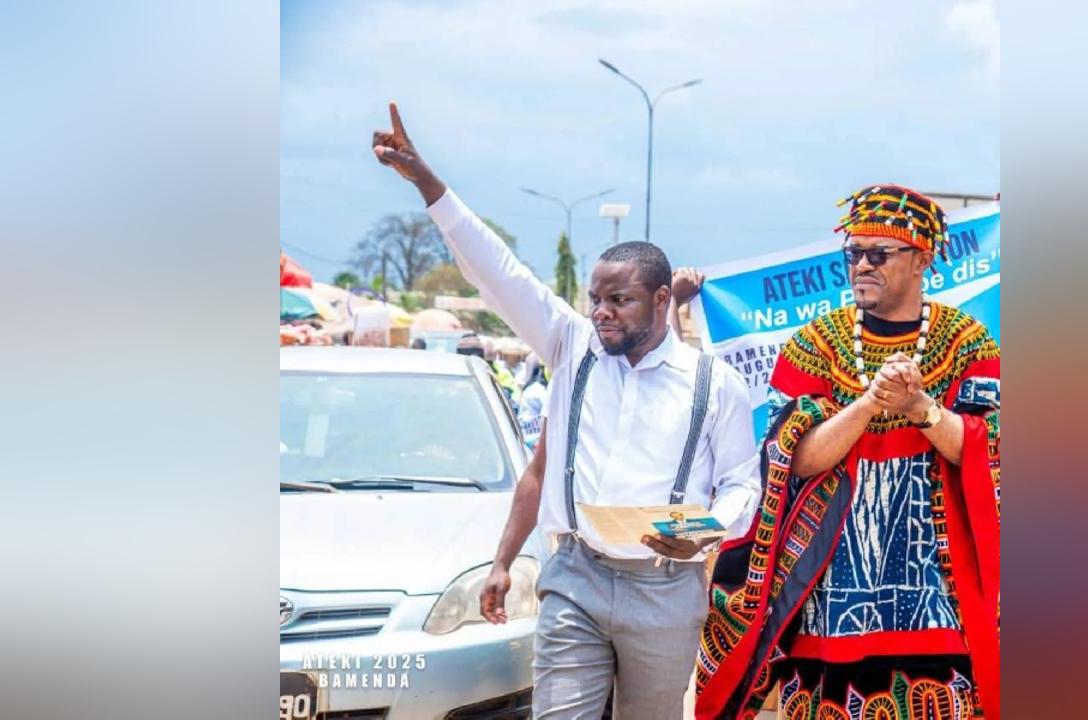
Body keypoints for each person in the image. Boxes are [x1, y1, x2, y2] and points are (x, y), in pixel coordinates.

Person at [372, 102, 762, 720]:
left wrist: (704, 533)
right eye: (596, 298)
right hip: (575, 576)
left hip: (665, 587)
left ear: (662, 301)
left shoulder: (713, 385)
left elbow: (743, 485)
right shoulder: (570, 345)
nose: (602, 311)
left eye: (620, 300)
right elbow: (498, 271)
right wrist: (427, 182)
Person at [695, 185, 1001, 720]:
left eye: (878, 254)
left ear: (921, 259)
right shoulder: (817, 344)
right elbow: (794, 458)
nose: (861, 265)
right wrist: (868, 403)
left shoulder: (967, 342)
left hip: (937, 587)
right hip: (832, 588)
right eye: (853, 253)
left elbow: (990, 452)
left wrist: (919, 409)